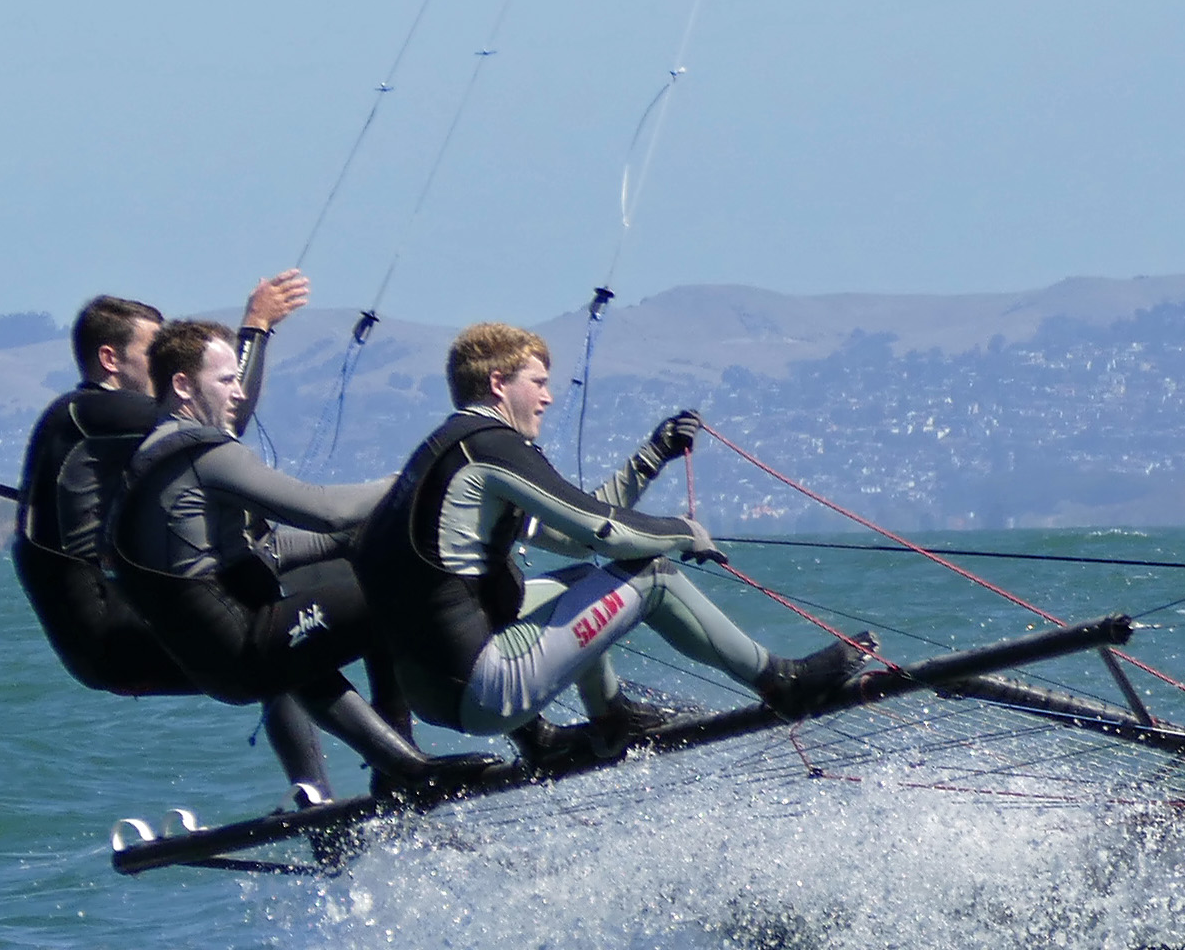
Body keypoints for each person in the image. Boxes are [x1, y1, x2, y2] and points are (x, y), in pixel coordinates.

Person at [356, 321, 855, 765]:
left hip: (435, 694)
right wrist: (683, 532)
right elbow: (604, 531)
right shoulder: (491, 446)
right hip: (484, 687)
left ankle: (611, 719)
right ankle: (781, 682)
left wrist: (653, 454)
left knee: (582, 580)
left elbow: (573, 537)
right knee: (654, 575)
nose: (548, 398)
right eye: (538, 383)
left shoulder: (445, 453)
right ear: (498, 383)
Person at [106, 320, 496, 803]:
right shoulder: (204, 454)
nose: (239, 394)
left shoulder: (148, 456)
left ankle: (404, 766)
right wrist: (418, 480)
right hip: (246, 646)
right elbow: (324, 511)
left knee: (306, 651)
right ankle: (472, 735)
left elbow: (255, 549)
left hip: (216, 661)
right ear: (183, 385)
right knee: (396, 589)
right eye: (226, 381)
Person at [11, 276, 338, 790]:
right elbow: (221, 424)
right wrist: (255, 328)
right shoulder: (95, 410)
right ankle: (328, 795)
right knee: (280, 641)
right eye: (153, 351)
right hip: (112, 640)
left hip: (111, 632)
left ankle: (340, 785)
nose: (167, 364)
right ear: (109, 359)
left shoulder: (91, 428)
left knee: (289, 625)